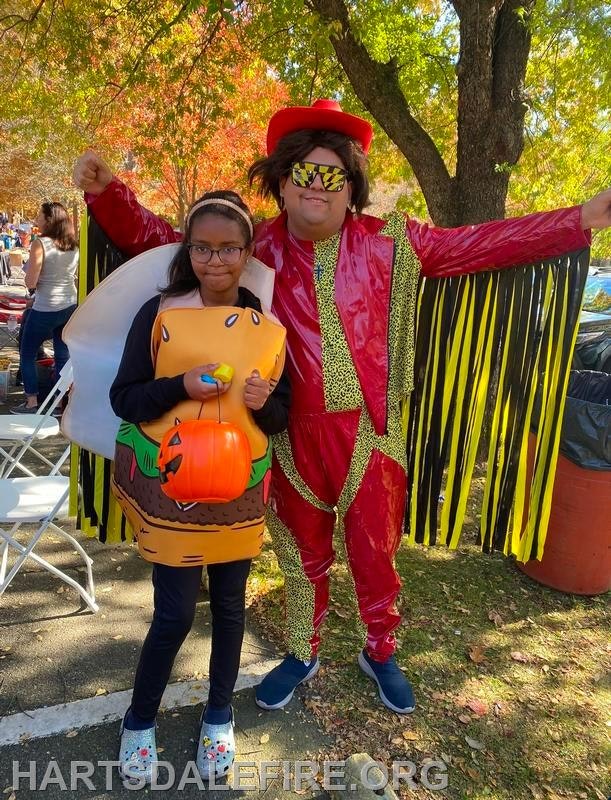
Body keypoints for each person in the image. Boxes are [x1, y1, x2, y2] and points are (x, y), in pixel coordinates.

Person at [74, 99, 611, 718]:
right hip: (285, 432)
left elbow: (483, 244)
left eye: (332, 175)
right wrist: (111, 195)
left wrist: (579, 219)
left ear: (352, 185)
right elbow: (172, 244)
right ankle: (304, 651)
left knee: (375, 553)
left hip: (371, 432)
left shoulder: (393, 243)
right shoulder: (253, 250)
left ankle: (381, 650)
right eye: (303, 172)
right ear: (279, 181)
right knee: (302, 554)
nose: (316, 188)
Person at [108, 191, 290, 783]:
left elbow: (281, 415)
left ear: (247, 252)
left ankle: (218, 716)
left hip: (239, 491)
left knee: (232, 609)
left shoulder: (266, 326)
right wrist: (181, 384)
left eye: (229, 248)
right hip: (177, 491)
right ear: (189, 250)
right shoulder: (160, 313)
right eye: (204, 248)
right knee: (175, 613)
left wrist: (267, 405)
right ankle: (139, 721)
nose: (216, 260)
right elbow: (125, 399)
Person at [11, 202, 78, 413]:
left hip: (47, 306)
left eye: (39, 216)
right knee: (62, 354)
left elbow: (31, 282)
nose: (36, 219)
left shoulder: (40, 244)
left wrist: (30, 278)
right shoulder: (73, 244)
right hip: (69, 305)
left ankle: (32, 402)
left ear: (49, 220)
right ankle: (59, 402)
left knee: (27, 352)